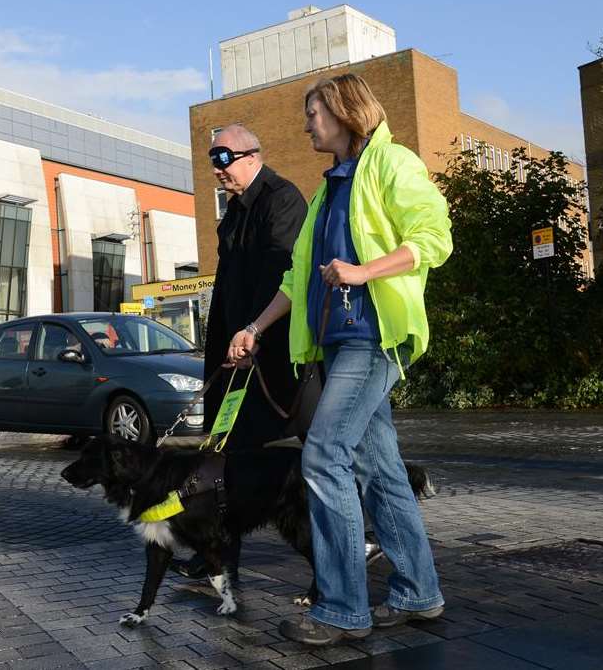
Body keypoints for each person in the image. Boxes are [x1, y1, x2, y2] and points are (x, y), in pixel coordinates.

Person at [227, 74, 450, 645]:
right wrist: (253, 328)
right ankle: (419, 592)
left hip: (374, 337)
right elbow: (297, 279)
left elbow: (434, 237)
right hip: (337, 342)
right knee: (382, 469)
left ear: (346, 112)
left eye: (313, 114)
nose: (305, 125)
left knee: (324, 455)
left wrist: (363, 271)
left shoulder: (393, 164)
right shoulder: (329, 190)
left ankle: (344, 608)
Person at [168, 123, 308, 582]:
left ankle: (347, 547)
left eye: (223, 157)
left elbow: (282, 277)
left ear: (252, 154)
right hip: (233, 353)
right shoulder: (232, 212)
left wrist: (254, 333)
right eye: (212, 159)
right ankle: (218, 557)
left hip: (273, 355)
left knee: (318, 453)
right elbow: (229, 282)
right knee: (224, 456)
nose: (217, 169)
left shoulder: (281, 199)